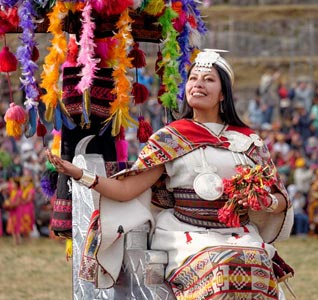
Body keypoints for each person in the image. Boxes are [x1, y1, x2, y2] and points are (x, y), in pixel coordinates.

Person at [47, 50, 293, 299]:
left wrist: (267, 201)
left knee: (256, 265)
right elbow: (126, 190)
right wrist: (80, 174)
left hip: (240, 235)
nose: (198, 84)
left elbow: (280, 196)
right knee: (224, 266)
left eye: (208, 79)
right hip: (187, 237)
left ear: (223, 94)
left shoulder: (247, 140)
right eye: (193, 78)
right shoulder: (171, 138)